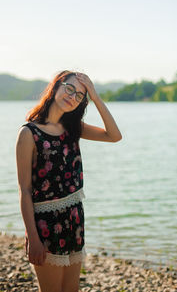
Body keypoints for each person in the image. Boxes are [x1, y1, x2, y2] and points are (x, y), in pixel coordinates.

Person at [16, 70, 122, 292]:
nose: (72, 96)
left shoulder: (73, 129)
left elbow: (114, 135)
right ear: (56, 86)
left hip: (74, 218)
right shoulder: (29, 133)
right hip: (45, 223)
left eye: (79, 96)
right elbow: (24, 190)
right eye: (69, 88)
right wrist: (33, 237)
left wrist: (95, 95)